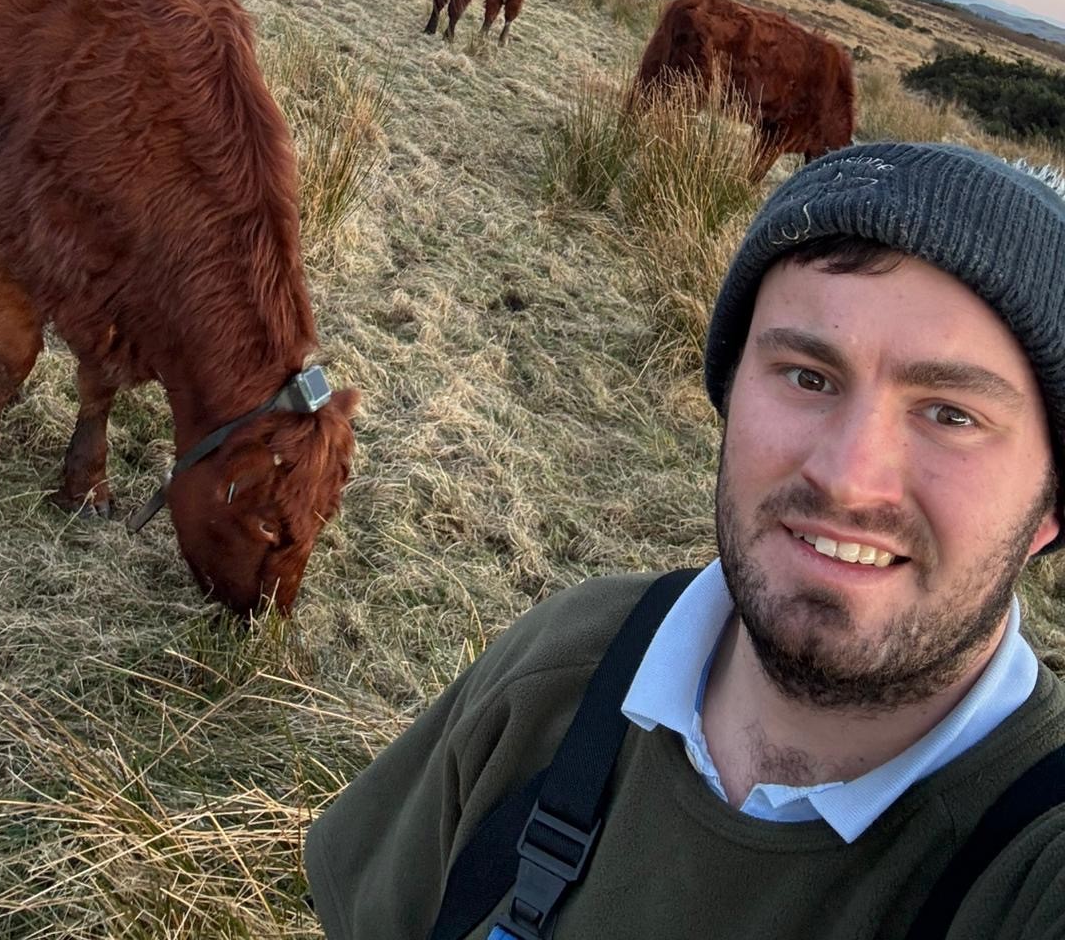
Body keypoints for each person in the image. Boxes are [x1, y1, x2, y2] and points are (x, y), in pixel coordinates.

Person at [305, 142, 1065, 939]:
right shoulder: (567, 667)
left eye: (951, 414)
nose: (847, 477)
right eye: (808, 376)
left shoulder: (1033, 869)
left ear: (1052, 505)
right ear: (731, 394)